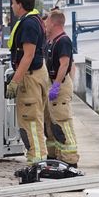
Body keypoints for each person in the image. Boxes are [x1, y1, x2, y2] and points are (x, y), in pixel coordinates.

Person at [7, 0, 50, 163]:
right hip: (37, 73)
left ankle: (37, 161)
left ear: (20, 4)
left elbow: (28, 55)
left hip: (30, 77)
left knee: (30, 119)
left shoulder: (28, 24)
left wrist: (14, 82)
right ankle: (37, 158)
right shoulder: (34, 20)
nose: (11, 7)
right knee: (35, 118)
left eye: (12, 3)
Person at [43, 9, 79, 164]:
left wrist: (56, 85)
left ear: (54, 22)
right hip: (52, 83)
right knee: (52, 124)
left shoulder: (63, 41)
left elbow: (65, 64)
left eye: (47, 21)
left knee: (63, 123)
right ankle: (55, 156)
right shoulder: (52, 41)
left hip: (60, 85)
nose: (45, 24)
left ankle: (70, 160)